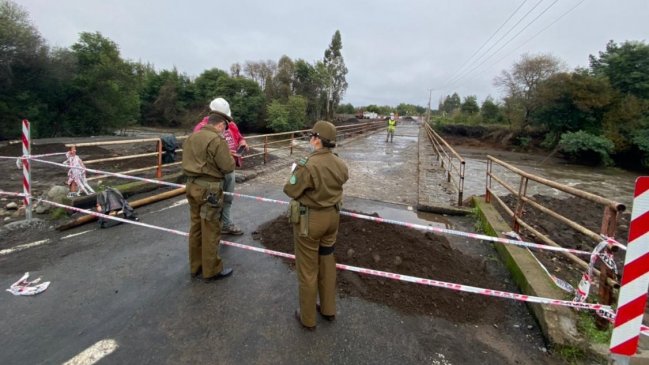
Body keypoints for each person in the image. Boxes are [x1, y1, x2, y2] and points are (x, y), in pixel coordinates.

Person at [283, 121, 349, 330]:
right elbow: (342, 179)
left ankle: (308, 318)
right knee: (327, 262)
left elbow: (290, 190)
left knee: (307, 269)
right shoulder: (340, 163)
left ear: (317, 139)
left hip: (310, 222)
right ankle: (328, 309)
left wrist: (295, 173)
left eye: (312, 135)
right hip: (332, 218)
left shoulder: (307, 164)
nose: (310, 139)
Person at [182, 98, 235, 281]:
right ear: (220, 124)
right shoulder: (216, 140)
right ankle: (211, 270)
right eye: (225, 127)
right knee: (211, 228)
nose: (225, 130)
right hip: (209, 190)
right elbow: (228, 167)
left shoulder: (192, 136)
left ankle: (195, 266)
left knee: (196, 227)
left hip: (191, 186)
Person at [193, 98, 249, 235]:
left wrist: (242, 143)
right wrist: (222, 152)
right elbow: (199, 152)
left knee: (228, 198)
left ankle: (225, 223)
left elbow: (240, 137)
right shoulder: (201, 128)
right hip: (213, 173)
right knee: (213, 202)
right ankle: (211, 228)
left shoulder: (231, 125)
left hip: (229, 168)